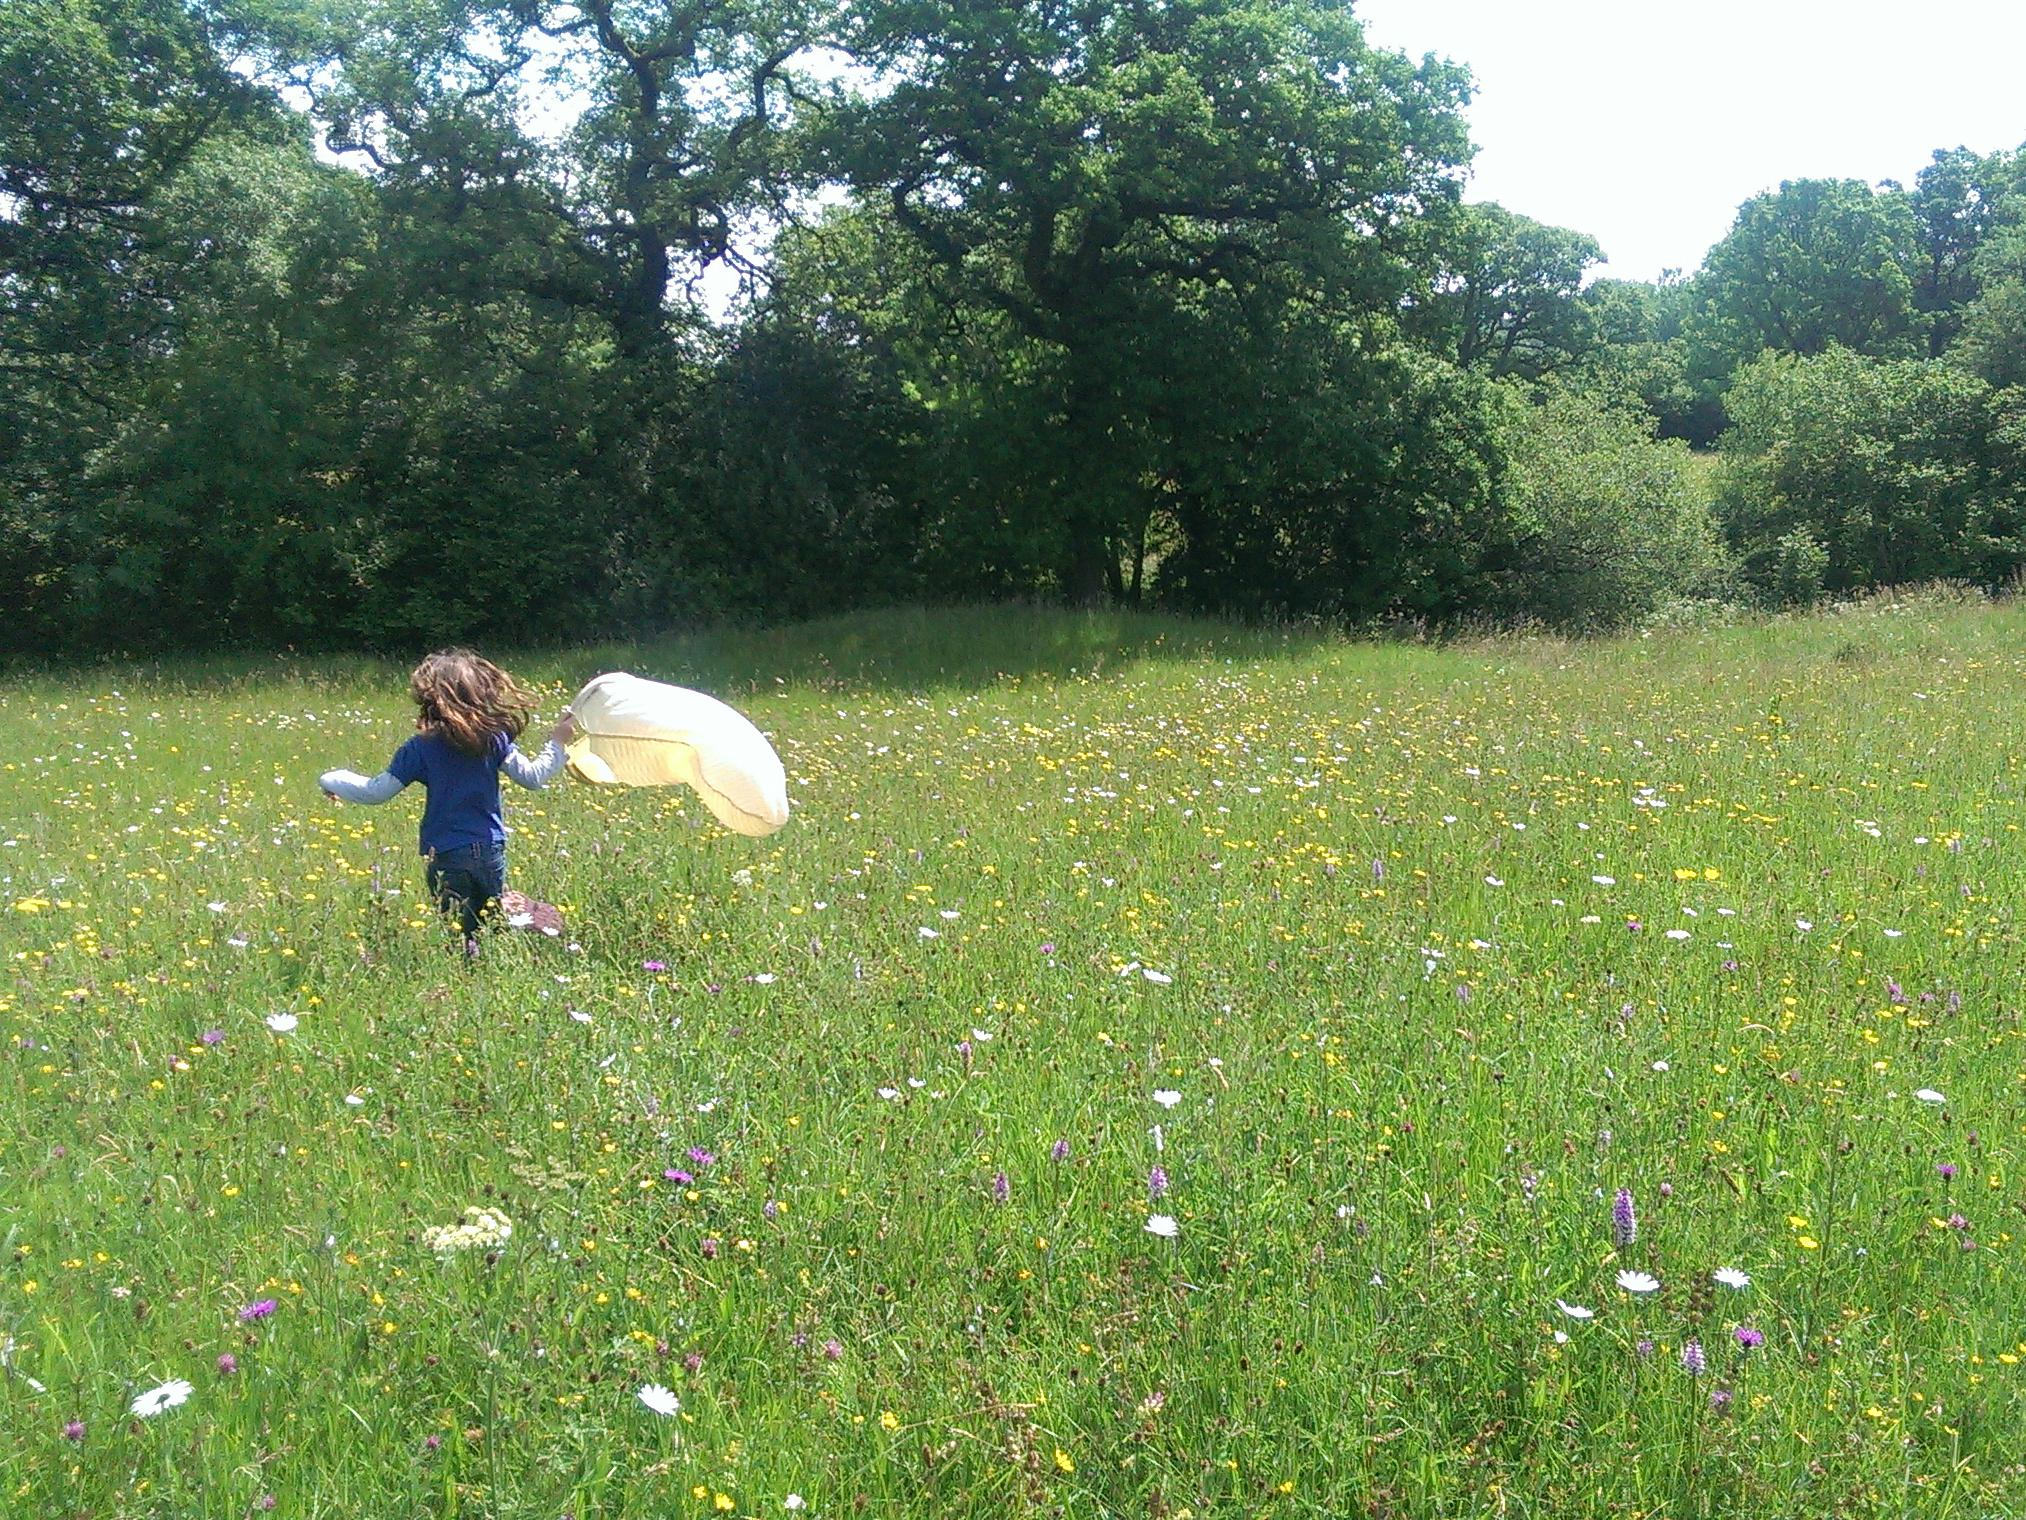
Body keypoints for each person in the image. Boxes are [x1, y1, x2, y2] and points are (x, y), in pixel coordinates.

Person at [319, 651, 576, 952]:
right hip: (490, 850)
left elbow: (376, 792)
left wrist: (330, 779)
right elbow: (533, 777)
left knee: (457, 935)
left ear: (430, 699)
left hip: (446, 853)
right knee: (489, 927)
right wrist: (557, 742)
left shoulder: (420, 748)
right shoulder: (492, 739)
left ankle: (466, 975)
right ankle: (502, 964)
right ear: (481, 692)